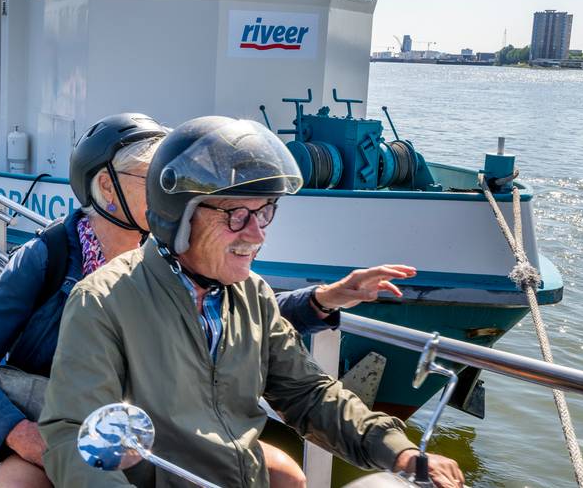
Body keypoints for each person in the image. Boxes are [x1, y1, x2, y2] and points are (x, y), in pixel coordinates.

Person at [0, 114, 411, 488]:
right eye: (157, 175)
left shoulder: (194, 263)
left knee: (284, 473)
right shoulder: (53, 262)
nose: (176, 182)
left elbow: (215, 327)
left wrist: (320, 301)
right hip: (55, 421)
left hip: (155, 425)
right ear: (108, 188)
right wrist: (21, 435)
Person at [38, 116, 465, 488]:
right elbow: (74, 437)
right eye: (236, 215)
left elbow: (309, 395)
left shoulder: (251, 294)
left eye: (264, 212)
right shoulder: (104, 301)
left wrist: (400, 453)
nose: (257, 234)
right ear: (179, 214)